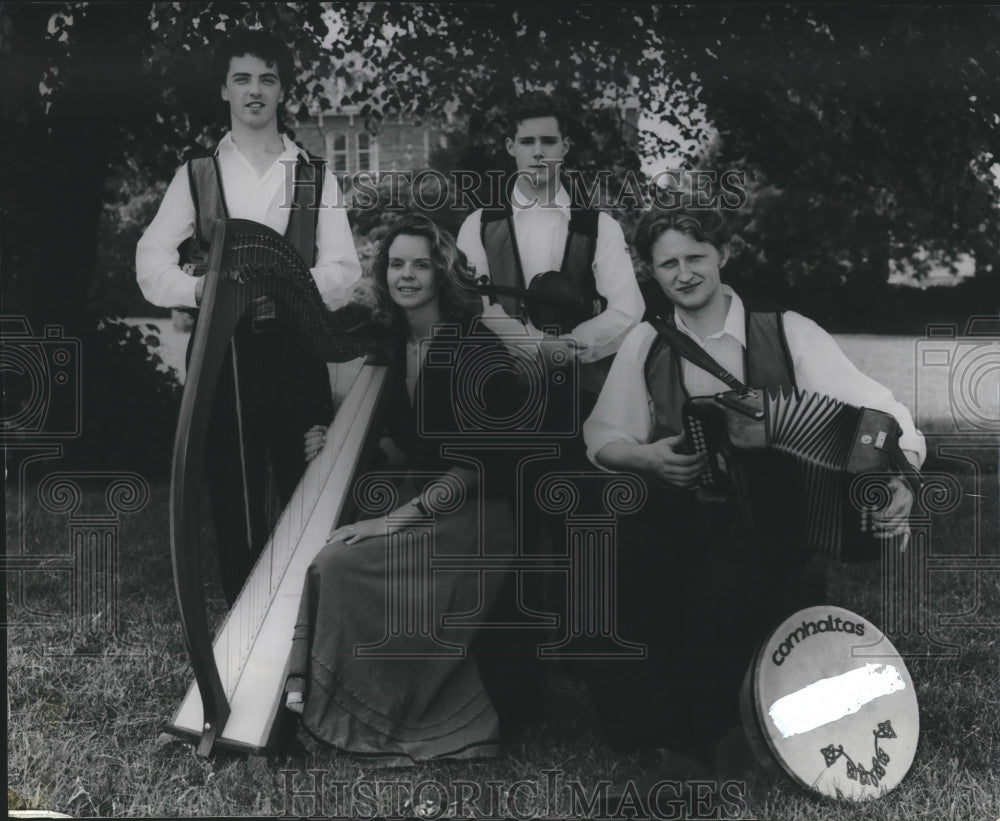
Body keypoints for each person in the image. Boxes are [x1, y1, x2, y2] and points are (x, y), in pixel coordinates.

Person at [582, 206, 926, 780]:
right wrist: (646, 458)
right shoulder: (647, 341)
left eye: (696, 257)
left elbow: (882, 415)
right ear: (652, 271)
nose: (684, 273)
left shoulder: (787, 329)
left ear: (723, 256)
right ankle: (647, 731)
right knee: (609, 564)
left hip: (783, 521)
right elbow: (602, 436)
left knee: (722, 590)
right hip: (684, 509)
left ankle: (702, 745)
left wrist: (902, 477)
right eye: (668, 263)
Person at [283, 215, 526, 765]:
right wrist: (335, 440)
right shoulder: (395, 347)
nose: (407, 275)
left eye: (421, 264)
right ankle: (317, 694)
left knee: (340, 564)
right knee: (335, 556)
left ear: (442, 273)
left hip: (474, 514)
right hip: (426, 498)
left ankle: (363, 711)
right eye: (397, 264)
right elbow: (405, 446)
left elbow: (473, 467)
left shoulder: (475, 352)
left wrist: (390, 523)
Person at [136, 29, 362, 604]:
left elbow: (343, 269)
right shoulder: (197, 175)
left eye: (266, 79)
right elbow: (150, 265)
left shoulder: (315, 174)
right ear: (224, 89)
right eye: (242, 79)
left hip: (297, 350)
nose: (254, 91)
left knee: (302, 495)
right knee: (230, 499)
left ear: (282, 89)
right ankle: (243, 627)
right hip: (223, 353)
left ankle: (301, 627)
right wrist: (207, 294)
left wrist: (286, 288)